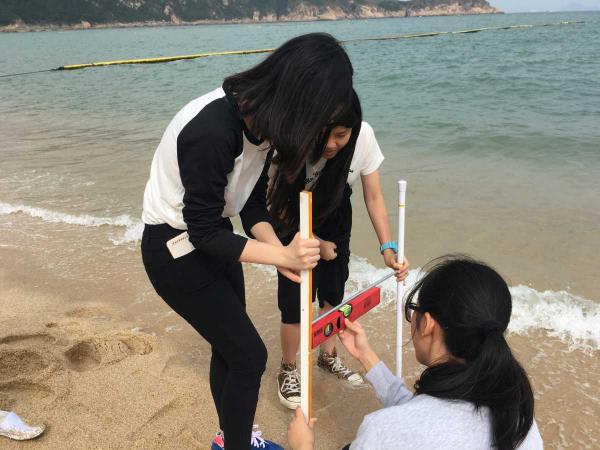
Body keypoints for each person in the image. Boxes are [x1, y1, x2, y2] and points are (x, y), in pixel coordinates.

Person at [141, 33, 356, 450]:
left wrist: (281, 255)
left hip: (214, 240)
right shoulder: (212, 130)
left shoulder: (264, 127)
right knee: (249, 356)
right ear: (298, 96)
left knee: (229, 350)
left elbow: (252, 205)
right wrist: (279, 253)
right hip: (174, 249)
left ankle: (230, 439)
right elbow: (201, 230)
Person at [287, 255, 544, 450]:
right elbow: (427, 416)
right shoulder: (519, 420)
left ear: (428, 324)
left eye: (414, 310)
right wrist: (366, 356)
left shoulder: (383, 431)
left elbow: (413, 424)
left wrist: (302, 446)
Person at [269, 90, 409, 409]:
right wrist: (315, 243)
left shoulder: (364, 137)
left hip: (336, 211)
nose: (331, 145)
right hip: (293, 211)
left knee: (333, 291)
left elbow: (373, 196)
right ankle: (288, 367)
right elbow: (274, 202)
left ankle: (327, 356)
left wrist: (387, 247)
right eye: (324, 136)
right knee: (295, 295)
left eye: (341, 136)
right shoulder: (293, 139)